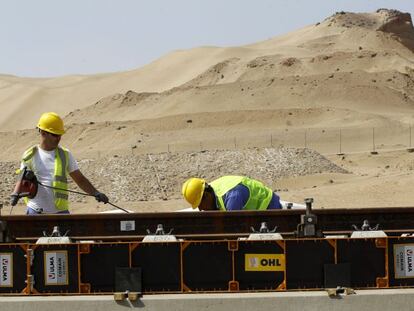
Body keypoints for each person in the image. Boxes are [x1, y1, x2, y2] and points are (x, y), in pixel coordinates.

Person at [10, 112, 109, 215]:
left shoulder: (65, 154)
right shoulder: (29, 155)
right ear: (43, 132)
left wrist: (96, 193)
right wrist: (16, 194)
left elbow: (80, 179)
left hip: (60, 212)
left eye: (59, 135)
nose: (58, 138)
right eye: (55, 135)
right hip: (35, 210)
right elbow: (21, 182)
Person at [181, 176, 282, 211]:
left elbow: (234, 229)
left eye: (199, 204)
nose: (200, 209)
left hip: (270, 207)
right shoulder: (212, 190)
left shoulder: (232, 198)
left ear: (207, 196)